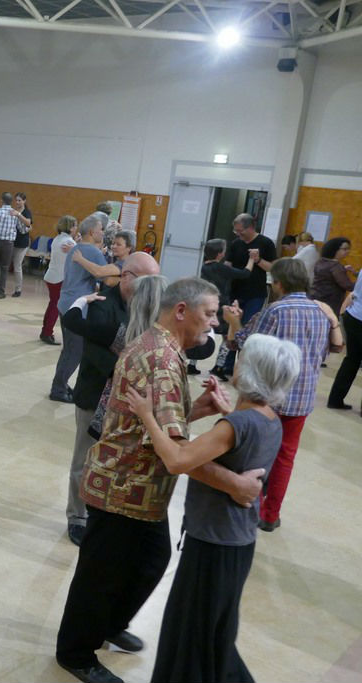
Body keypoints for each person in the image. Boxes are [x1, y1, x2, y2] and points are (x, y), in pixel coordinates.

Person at [55, 277, 268, 683]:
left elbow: (149, 425)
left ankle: (107, 624)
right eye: (209, 314)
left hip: (139, 487)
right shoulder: (161, 360)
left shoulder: (160, 348)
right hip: (123, 486)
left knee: (152, 562)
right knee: (100, 576)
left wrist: (198, 410)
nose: (213, 325)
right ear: (182, 311)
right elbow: (178, 456)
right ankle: (76, 652)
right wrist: (235, 484)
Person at [125, 334, 300, 683]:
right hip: (237, 543)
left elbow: (176, 459)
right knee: (214, 636)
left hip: (213, 545)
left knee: (192, 637)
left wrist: (147, 415)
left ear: (251, 371)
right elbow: (241, 447)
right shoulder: (268, 418)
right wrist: (224, 411)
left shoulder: (235, 425)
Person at [226, 258, 342, 530]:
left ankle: (248, 502)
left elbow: (246, 343)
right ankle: (270, 515)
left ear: (278, 283)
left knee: (255, 451)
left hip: (267, 395)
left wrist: (234, 320)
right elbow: (329, 350)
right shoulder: (320, 311)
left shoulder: (276, 310)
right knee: (285, 457)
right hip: (302, 397)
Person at [59, 252, 161, 547]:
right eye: (146, 279)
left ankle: (105, 510)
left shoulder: (151, 306)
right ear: (126, 276)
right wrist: (132, 368)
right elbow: (91, 351)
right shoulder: (103, 304)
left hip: (131, 403)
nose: (151, 286)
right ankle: (77, 516)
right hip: (96, 396)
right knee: (86, 459)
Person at [49, 214, 106, 402]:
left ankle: (61, 384)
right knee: (75, 351)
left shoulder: (76, 248)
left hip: (65, 302)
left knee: (69, 350)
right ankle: (58, 389)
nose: (103, 233)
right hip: (76, 306)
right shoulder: (93, 252)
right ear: (91, 232)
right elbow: (107, 276)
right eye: (101, 229)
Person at [218, 213, 277, 378]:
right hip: (235, 293)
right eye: (235, 231)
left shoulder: (266, 243)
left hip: (255, 294)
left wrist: (257, 260)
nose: (238, 234)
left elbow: (272, 268)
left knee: (247, 331)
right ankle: (227, 366)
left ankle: (244, 368)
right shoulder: (236, 243)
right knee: (231, 328)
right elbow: (228, 265)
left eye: (240, 231)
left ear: (250, 227)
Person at [200, 238, 253, 380]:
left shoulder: (204, 267)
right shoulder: (221, 268)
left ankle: (192, 363)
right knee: (225, 336)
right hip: (221, 304)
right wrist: (252, 259)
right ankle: (218, 367)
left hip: (206, 303)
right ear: (220, 254)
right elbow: (245, 274)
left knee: (201, 331)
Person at [39, 215, 78, 345]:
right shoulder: (69, 242)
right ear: (71, 227)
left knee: (53, 305)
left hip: (52, 275)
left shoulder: (58, 238)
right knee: (55, 307)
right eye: (75, 225)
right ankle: (47, 333)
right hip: (59, 278)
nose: (77, 228)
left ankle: (46, 331)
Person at [329, 275, 362, 410]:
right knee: (352, 360)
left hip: (354, 316)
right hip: (358, 316)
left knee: (352, 360)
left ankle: (335, 400)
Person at [69, 230, 136, 289]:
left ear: (129, 248)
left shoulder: (126, 263)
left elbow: (100, 273)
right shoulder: (114, 259)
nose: (114, 246)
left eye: (118, 244)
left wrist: (80, 259)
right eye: (113, 243)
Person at [311, 237, 355, 312]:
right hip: (329, 302)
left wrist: (343, 269)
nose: (348, 251)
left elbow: (327, 274)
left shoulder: (321, 261)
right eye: (345, 249)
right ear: (334, 249)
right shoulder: (335, 266)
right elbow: (348, 286)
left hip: (315, 296)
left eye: (348, 249)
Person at [10, 192, 33, 296]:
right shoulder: (12, 211)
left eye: (20, 200)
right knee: (4, 264)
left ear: (24, 201)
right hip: (11, 241)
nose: (18, 202)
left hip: (22, 243)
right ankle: (0, 287)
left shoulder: (27, 212)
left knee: (17, 266)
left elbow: (28, 223)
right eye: (16, 200)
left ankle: (18, 289)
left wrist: (18, 214)